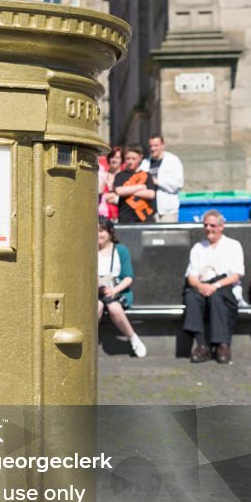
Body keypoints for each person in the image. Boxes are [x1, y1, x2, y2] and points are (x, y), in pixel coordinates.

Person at [183, 210, 245, 364]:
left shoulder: (233, 245)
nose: (208, 228)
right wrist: (200, 286)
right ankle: (202, 345)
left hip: (225, 285)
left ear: (221, 226)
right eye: (205, 225)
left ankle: (222, 345)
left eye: (212, 225)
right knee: (191, 297)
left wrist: (215, 285)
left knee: (218, 297)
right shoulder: (198, 248)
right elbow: (191, 276)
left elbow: (237, 274)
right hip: (203, 285)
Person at [97, 217, 147, 357]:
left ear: (110, 232)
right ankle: (89, 341)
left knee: (114, 308)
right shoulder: (90, 251)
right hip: (97, 293)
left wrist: (114, 290)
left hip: (118, 291)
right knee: (97, 307)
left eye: (101, 231)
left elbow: (128, 276)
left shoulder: (120, 250)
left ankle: (133, 338)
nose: (98, 235)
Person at [140, 134, 184, 222]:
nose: (153, 149)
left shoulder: (173, 161)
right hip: (149, 211)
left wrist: (157, 181)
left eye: (156, 145)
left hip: (167, 211)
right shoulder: (145, 163)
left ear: (163, 145)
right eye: (151, 146)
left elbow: (178, 184)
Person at [110, 144, 156, 224]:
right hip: (125, 218)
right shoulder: (120, 176)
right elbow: (119, 191)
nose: (130, 161)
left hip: (145, 219)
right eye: (128, 158)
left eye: (134, 158)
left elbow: (151, 194)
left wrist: (128, 191)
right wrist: (141, 187)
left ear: (140, 158)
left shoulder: (146, 175)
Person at [98, 146, 124, 220]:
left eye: (117, 157)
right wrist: (115, 195)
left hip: (121, 216)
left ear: (122, 160)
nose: (114, 160)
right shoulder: (102, 175)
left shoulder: (125, 177)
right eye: (112, 157)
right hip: (104, 216)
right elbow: (99, 194)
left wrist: (107, 197)